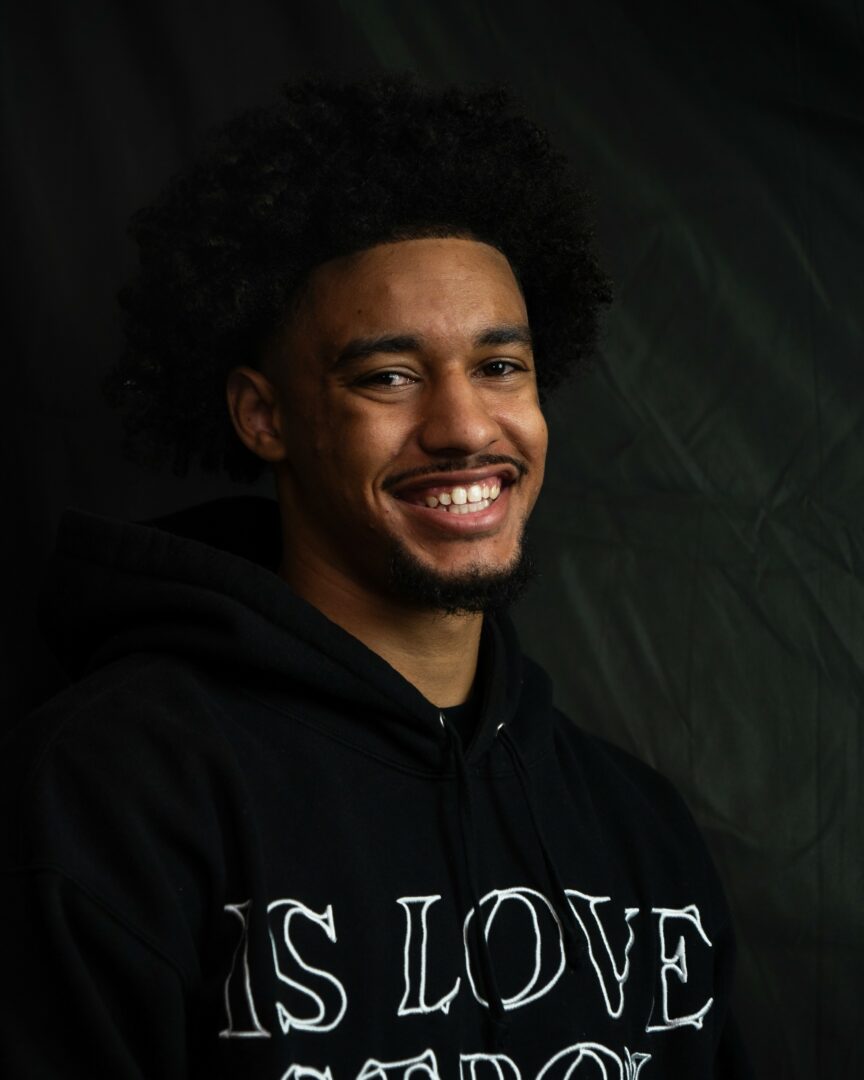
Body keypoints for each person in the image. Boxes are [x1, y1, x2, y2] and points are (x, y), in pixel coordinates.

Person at [0, 76, 751, 1078]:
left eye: (499, 367)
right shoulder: (110, 795)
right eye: (388, 377)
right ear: (265, 417)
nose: (464, 428)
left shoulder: (638, 830)